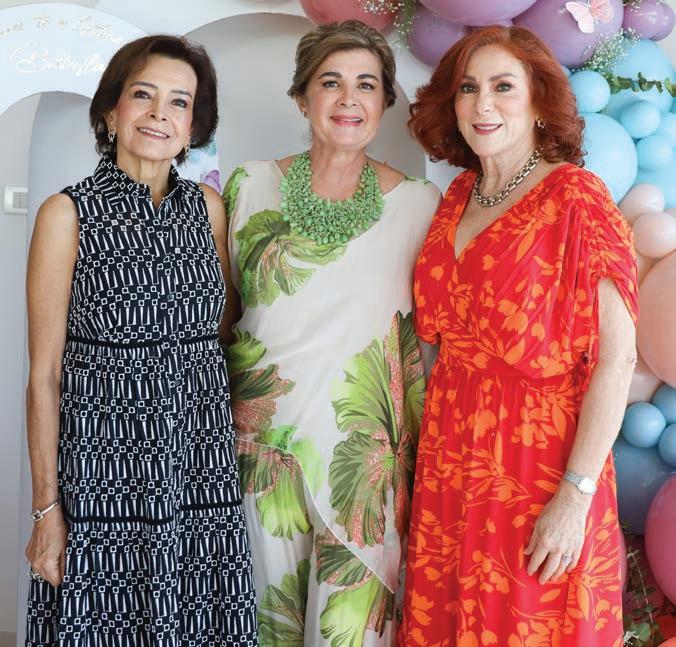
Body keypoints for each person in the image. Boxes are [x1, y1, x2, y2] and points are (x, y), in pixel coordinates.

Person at [400, 26, 638, 647]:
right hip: (452, 458)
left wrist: (576, 495)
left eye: (503, 86)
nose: (482, 104)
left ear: (538, 101)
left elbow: (617, 359)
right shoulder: (456, 195)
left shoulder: (577, 197)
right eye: (468, 88)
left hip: (540, 462)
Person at [24, 35, 257, 645]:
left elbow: (225, 330)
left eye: (179, 102)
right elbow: (44, 376)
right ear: (111, 111)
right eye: (143, 95)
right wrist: (47, 509)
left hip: (197, 470)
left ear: (193, 126)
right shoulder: (66, 215)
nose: (159, 114)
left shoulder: (208, 209)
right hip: (103, 474)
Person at [221, 19, 440, 646]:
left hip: (364, 472)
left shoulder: (420, 204)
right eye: (331, 82)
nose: (349, 99)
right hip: (261, 453)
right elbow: (222, 317)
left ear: (385, 102)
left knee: (350, 635)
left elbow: (435, 339)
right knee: (265, 628)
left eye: (366, 85)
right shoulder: (247, 186)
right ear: (301, 97)